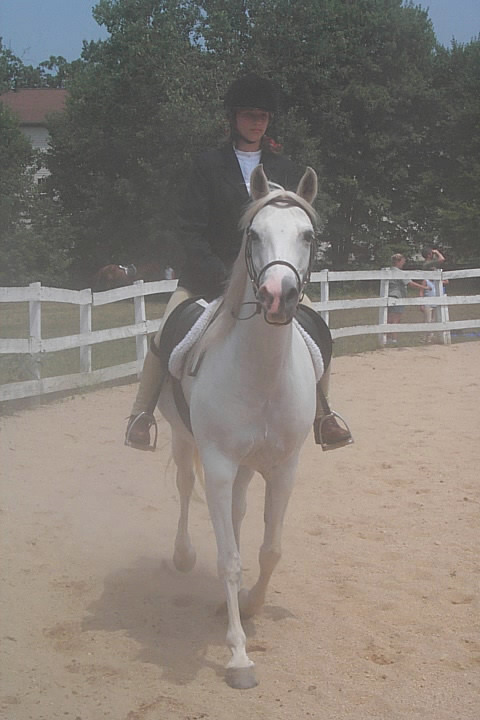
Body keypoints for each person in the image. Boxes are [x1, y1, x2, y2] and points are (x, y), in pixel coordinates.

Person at [125, 73, 352, 451]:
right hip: (207, 278)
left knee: (317, 332)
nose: (257, 123)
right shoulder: (207, 166)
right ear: (233, 118)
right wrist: (223, 277)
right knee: (166, 332)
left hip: (269, 280)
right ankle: (142, 414)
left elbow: (292, 230)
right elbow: (190, 230)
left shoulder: (285, 169)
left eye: (263, 116)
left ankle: (323, 414)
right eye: (249, 115)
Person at [386, 253, 425, 343]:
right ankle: (394, 339)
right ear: (398, 261)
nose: (403, 263)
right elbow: (410, 283)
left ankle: (388, 338)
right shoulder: (399, 272)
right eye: (402, 261)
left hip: (389, 295)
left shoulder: (388, 271)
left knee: (389, 319)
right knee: (396, 319)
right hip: (398, 296)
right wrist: (424, 287)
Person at [419, 247, 448, 342]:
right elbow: (442, 259)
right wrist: (437, 252)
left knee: (433, 319)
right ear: (429, 255)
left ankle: (429, 337)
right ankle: (426, 337)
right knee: (428, 320)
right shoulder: (428, 263)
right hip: (429, 292)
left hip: (434, 291)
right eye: (431, 253)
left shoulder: (428, 264)